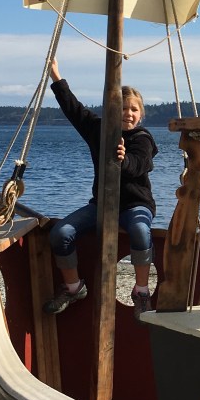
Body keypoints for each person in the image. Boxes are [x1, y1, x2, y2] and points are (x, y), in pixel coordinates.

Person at [44, 60, 158, 317]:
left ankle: (141, 291)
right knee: (60, 233)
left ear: (141, 115)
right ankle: (73, 287)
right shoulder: (99, 130)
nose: (128, 113)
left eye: (134, 109)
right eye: (123, 108)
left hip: (135, 205)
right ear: (111, 111)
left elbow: (140, 164)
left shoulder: (143, 139)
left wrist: (123, 160)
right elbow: (73, 109)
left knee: (141, 231)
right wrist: (56, 76)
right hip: (102, 205)